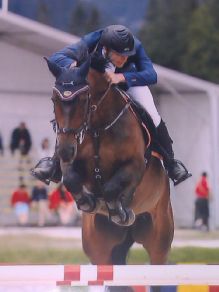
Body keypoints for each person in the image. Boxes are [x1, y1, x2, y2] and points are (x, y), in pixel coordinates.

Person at [32, 24, 191, 187]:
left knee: (152, 114)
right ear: (106, 48)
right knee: (73, 111)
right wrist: (72, 64)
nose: (124, 59)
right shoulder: (92, 40)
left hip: (129, 82)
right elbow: (56, 58)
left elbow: (151, 75)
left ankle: (171, 163)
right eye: (119, 55)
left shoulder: (135, 46)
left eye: (127, 55)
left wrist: (121, 77)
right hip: (98, 84)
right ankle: (54, 164)